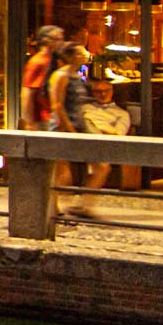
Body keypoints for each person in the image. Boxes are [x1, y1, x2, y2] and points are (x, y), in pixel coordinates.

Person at [49, 42, 107, 216]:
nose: (85, 55)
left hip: (79, 126)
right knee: (63, 174)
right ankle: (52, 207)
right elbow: (57, 105)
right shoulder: (60, 76)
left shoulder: (76, 75)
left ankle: (84, 205)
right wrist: (68, 128)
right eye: (82, 53)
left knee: (101, 166)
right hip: (64, 128)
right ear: (73, 56)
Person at [20, 25, 64, 131]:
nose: (62, 43)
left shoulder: (52, 60)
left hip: (50, 116)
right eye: (58, 39)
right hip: (42, 119)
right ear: (47, 41)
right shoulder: (38, 62)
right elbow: (27, 92)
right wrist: (29, 122)